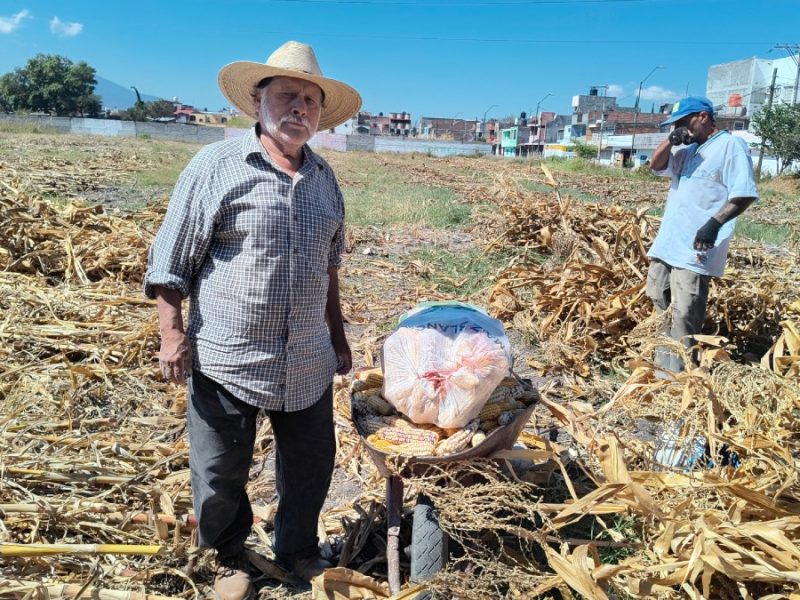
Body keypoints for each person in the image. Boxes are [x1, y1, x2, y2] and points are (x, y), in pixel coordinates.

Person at [143, 41, 361, 600]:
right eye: (287, 95)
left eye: (310, 100)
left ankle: (297, 550)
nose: (300, 108)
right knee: (219, 473)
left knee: (311, 466)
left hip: (307, 357)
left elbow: (330, 270)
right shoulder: (216, 167)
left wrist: (338, 339)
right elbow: (171, 260)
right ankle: (227, 557)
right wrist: (172, 334)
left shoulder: (325, 180)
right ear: (258, 102)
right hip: (229, 354)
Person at [646, 96, 758, 373]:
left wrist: (714, 224)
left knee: (685, 313)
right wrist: (671, 140)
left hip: (696, 247)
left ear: (703, 117)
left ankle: (682, 377)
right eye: (675, 125)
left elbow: (744, 194)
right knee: (659, 303)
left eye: (683, 122)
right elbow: (655, 166)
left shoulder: (730, 146)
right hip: (668, 244)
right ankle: (662, 371)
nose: (679, 128)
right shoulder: (687, 151)